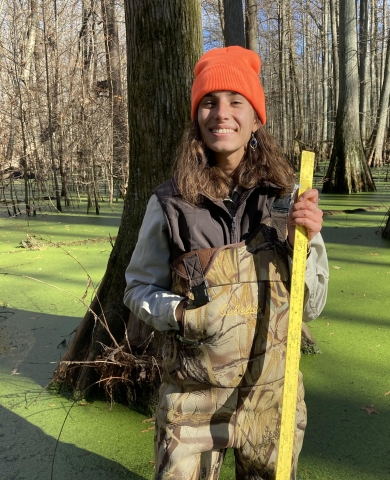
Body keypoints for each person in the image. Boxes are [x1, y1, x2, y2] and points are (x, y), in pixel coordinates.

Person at [124, 46, 329, 480]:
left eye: (237, 101)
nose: (222, 113)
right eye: (209, 102)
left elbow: (311, 307)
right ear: (197, 118)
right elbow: (137, 288)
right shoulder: (169, 204)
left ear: (256, 119)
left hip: (271, 401)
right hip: (191, 405)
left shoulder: (290, 200)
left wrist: (303, 246)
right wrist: (178, 312)